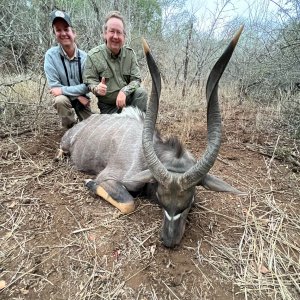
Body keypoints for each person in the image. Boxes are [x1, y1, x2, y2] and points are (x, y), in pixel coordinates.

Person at [83, 11, 147, 114]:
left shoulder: (130, 54)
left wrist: (124, 91)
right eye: (112, 31)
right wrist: (97, 88)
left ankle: (140, 125)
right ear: (105, 33)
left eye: (119, 32)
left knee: (141, 93)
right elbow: (89, 81)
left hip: (129, 101)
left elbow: (136, 80)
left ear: (124, 36)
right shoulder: (93, 55)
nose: (115, 36)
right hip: (109, 107)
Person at [44, 10, 93, 129]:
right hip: (73, 99)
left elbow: (88, 85)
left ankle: (80, 124)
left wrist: (63, 91)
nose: (63, 33)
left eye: (66, 29)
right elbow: (55, 89)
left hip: (83, 101)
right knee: (59, 100)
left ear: (73, 32)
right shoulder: (50, 55)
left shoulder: (86, 57)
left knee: (92, 129)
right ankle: (69, 128)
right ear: (55, 34)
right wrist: (77, 96)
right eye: (58, 30)